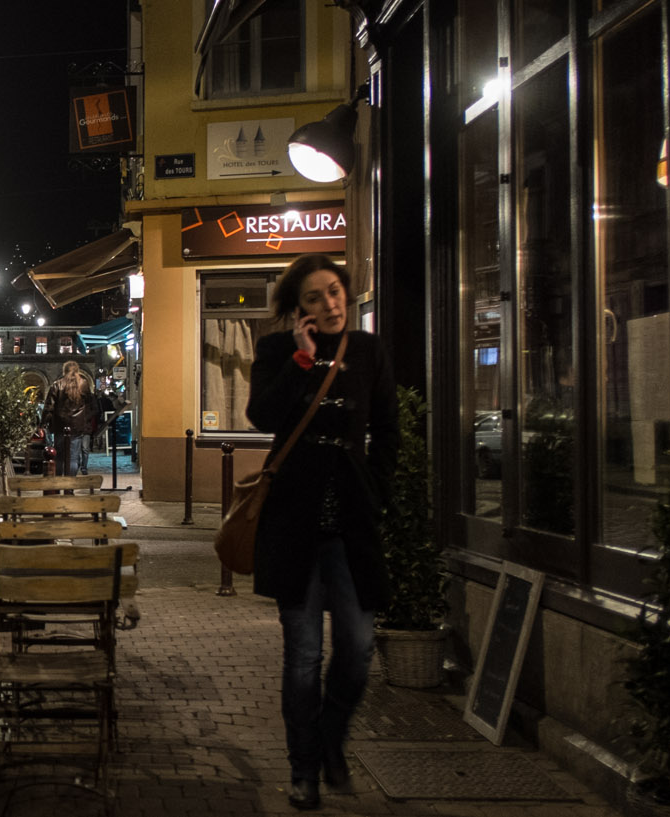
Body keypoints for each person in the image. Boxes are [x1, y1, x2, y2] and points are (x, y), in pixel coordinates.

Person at [245, 254, 398, 811]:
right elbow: (262, 415)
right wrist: (302, 361)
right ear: (298, 309)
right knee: (303, 656)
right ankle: (304, 770)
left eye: (334, 292)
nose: (330, 304)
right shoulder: (277, 352)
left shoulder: (370, 351)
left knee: (357, 650)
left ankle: (332, 740)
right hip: (295, 524)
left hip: (353, 525)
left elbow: (387, 430)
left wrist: (376, 492)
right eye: (315, 297)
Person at [42, 361, 98, 476]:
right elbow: (92, 406)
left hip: (59, 426)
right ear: (77, 371)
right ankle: (70, 486)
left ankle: (58, 484)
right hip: (77, 427)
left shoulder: (57, 385)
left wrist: (43, 424)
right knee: (73, 458)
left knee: (59, 457)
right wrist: (85, 420)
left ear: (64, 371)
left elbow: (49, 408)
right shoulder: (84, 384)